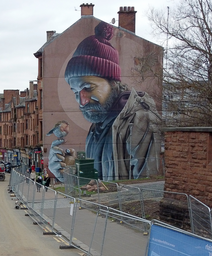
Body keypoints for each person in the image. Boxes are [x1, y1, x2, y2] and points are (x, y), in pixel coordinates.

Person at [51, 22, 163, 181]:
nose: (82, 101)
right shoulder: (99, 125)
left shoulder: (140, 120)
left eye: (88, 87)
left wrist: (104, 192)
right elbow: (93, 184)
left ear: (113, 83)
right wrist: (67, 172)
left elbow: (148, 190)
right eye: (76, 92)